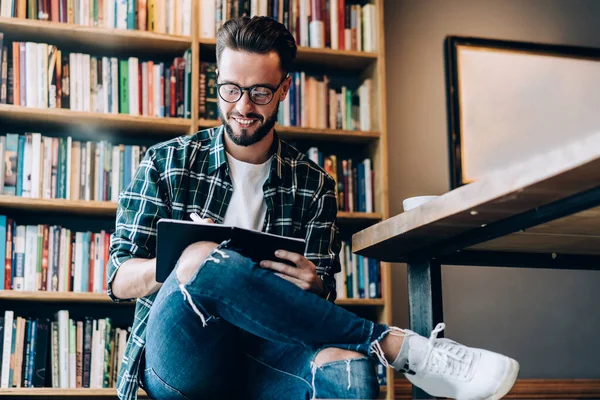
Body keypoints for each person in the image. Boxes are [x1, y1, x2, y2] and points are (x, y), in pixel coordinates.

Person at [107, 16, 520, 400]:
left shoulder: (314, 183)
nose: (243, 107)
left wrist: (316, 285)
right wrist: (188, 268)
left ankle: (384, 348)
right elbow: (119, 280)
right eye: (231, 89)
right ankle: (399, 345)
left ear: (284, 90)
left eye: (260, 92)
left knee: (349, 368)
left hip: (269, 355)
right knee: (201, 257)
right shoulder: (167, 162)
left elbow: (320, 297)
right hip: (182, 358)